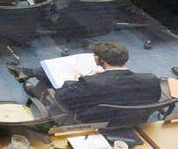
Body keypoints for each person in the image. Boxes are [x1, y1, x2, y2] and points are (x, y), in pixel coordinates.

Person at [12, 42, 160, 123]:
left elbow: (61, 96)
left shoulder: (91, 83)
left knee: (55, 79)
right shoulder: (151, 79)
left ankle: (33, 84)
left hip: (89, 119)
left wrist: (76, 80)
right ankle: (29, 75)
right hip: (128, 119)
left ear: (102, 61)